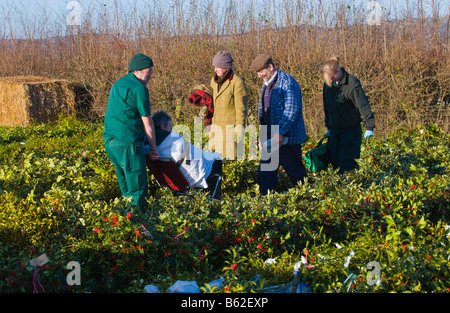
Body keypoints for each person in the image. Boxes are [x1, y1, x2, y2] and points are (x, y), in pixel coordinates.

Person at [103, 53, 159, 209]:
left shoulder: (118, 84)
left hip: (111, 143)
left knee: (126, 189)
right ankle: (138, 227)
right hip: (128, 143)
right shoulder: (139, 88)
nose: (151, 75)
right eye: (149, 71)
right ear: (137, 71)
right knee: (137, 189)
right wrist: (153, 148)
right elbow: (147, 122)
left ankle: (124, 224)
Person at [250, 54, 308, 195]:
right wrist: (262, 136)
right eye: (257, 73)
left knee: (296, 175)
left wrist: (280, 132)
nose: (259, 76)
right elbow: (264, 113)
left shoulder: (288, 82)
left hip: (287, 139)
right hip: (270, 139)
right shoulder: (267, 85)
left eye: (261, 72)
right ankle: (265, 205)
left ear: (270, 67)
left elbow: (291, 110)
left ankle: (310, 201)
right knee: (265, 174)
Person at [149, 110, 223, 200]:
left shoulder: (148, 147)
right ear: (162, 126)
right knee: (217, 159)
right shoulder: (172, 140)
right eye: (170, 126)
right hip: (189, 177)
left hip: (170, 181)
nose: (171, 129)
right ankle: (213, 200)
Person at [322, 56, 375, 173]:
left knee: (346, 163)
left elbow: (363, 105)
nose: (330, 80)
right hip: (335, 130)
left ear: (338, 71)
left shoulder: (352, 84)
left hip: (350, 131)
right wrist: (328, 126)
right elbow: (327, 107)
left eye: (332, 77)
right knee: (333, 161)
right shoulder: (328, 85)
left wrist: (369, 126)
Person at [208, 51, 248, 160]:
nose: (215, 69)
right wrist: (205, 110)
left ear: (226, 67)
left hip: (229, 132)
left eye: (218, 67)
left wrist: (239, 130)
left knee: (229, 161)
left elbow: (241, 110)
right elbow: (211, 101)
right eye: (215, 66)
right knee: (214, 161)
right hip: (215, 129)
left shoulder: (237, 83)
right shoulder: (213, 81)